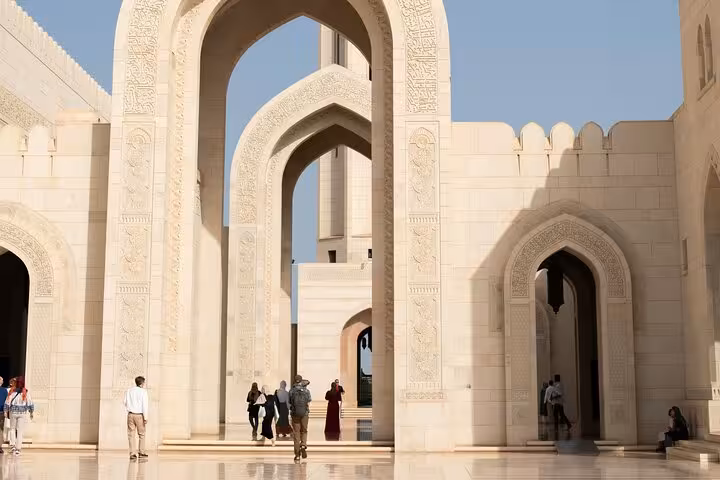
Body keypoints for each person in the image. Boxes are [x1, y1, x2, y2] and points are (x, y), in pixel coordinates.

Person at [5, 376, 33, 456]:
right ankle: (18, 448)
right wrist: (31, 411)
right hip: (22, 413)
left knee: (12, 429)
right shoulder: (25, 392)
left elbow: (7, 402)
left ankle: (13, 446)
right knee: (20, 431)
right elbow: (30, 403)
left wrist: (5, 410)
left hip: (13, 412)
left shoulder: (12, 391)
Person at [123, 376, 149, 460]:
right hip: (139, 415)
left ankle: (132, 453)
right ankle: (141, 452)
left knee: (131, 434)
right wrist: (145, 417)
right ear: (141, 383)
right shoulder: (143, 392)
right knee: (141, 434)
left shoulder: (129, 390)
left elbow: (125, 402)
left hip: (130, 414)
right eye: (144, 383)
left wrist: (129, 408)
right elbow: (145, 405)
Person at [289, 375, 312, 462]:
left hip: (295, 414)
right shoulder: (306, 390)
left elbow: (290, 402)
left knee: (296, 433)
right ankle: (303, 445)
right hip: (305, 413)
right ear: (301, 380)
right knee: (304, 431)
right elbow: (309, 401)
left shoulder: (291, 391)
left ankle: (297, 455)